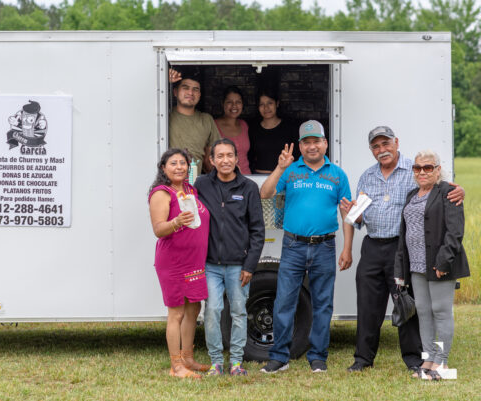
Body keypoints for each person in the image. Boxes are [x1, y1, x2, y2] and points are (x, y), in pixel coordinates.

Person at [340, 126, 465, 373]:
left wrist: (459, 189)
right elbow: (358, 219)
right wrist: (351, 213)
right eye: (376, 146)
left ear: (396, 142)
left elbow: (443, 187)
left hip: (402, 248)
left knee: (408, 306)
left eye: (385, 144)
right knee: (367, 306)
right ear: (371, 150)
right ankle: (363, 359)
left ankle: (415, 359)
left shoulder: (414, 168)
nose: (381, 150)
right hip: (373, 247)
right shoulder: (367, 176)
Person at [259, 120, 354, 374]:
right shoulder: (290, 171)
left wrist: (347, 249)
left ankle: (318, 357)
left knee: (323, 304)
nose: (312, 146)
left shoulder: (337, 174)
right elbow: (265, 193)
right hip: (293, 246)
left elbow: (347, 214)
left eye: (316, 141)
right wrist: (280, 168)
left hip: (325, 246)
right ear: (300, 146)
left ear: (325, 143)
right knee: (284, 302)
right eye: (306, 142)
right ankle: (280, 357)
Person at [394, 150, 469, 381]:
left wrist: (443, 262)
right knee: (424, 313)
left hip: (438, 266)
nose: (422, 172)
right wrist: (400, 270)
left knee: (441, 312)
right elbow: (403, 235)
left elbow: (455, 232)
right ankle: (428, 358)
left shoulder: (449, 192)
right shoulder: (411, 195)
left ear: (437, 170)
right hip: (416, 266)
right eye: (418, 168)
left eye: (428, 167)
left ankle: (441, 361)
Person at [194, 138, 265, 376]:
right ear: (211, 160)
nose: (225, 160)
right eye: (220, 156)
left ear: (237, 159)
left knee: (238, 312)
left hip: (239, 265)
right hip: (210, 265)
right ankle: (216, 362)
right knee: (212, 310)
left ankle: (236, 362)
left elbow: (257, 230)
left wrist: (250, 265)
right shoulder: (201, 184)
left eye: (229, 156)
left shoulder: (249, 188)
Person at [148, 148, 210, 379]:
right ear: (163, 168)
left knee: (194, 308)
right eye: (173, 163)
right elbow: (158, 229)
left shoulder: (190, 190)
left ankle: (188, 359)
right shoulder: (161, 193)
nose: (179, 167)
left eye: (183, 163)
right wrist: (175, 222)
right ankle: (176, 366)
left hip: (194, 260)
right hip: (173, 261)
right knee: (176, 312)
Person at [169, 68, 220, 174]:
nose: (190, 92)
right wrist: (166, 80)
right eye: (185, 88)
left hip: (195, 184)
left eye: (195, 89)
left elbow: (210, 160)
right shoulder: (165, 116)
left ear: (200, 95)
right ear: (175, 92)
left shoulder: (206, 120)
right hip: (169, 184)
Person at [248, 88, 300, 173]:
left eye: (270, 103)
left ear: (277, 103)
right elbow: (249, 156)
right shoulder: (253, 128)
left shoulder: (289, 127)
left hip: (285, 177)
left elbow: (297, 154)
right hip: (258, 176)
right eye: (262, 104)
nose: (266, 108)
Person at [214, 86, 251, 174]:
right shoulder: (214, 125)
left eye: (238, 102)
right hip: (223, 180)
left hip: (246, 178)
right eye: (229, 102)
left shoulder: (244, 125)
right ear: (223, 103)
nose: (234, 106)